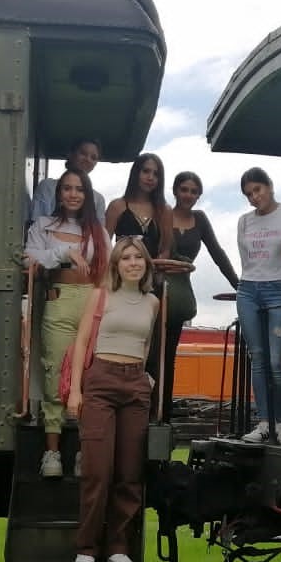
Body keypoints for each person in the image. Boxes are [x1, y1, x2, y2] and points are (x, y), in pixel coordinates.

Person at [66, 237, 159, 562]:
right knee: (97, 470)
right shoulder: (101, 296)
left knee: (129, 471)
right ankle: (87, 548)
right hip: (101, 381)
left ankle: (119, 545)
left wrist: (142, 377)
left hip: (134, 385)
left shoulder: (152, 302)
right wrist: (76, 391)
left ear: (146, 264)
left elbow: (145, 345)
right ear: (116, 265)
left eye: (139, 257)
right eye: (126, 258)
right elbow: (81, 343)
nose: (133, 262)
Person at [24, 170, 108, 478]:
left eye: (79, 189)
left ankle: (84, 452)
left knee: (89, 375)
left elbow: (107, 270)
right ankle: (52, 453)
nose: (73, 194)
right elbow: (27, 258)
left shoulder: (97, 229)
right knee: (55, 373)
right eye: (67, 189)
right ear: (59, 194)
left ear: (87, 195)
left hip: (92, 301)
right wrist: (64, 251)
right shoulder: (43, 225)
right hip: (59, 299)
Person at [160, 171, 240, 419]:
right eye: (184, 189)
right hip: (157, 288)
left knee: (169, 353)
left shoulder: (200, 219)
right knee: (153, 351)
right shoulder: (162, 213)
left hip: (180, 292)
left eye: (194, 191)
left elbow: (217, 253)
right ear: (175, 191)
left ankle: (164, 411)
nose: (189, 195)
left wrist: (239, 286)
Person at [235, 167, 281, 445]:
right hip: (248, 289)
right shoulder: (244, 221)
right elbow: (246, 261)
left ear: (270, 186)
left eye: (257, 190)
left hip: (279, 288)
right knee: (257, 358)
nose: (253, 198)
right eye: (248, 194)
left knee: (275, 362)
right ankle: (262, 422)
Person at [106, 151, 174, 389]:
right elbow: (106, 246)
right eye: (146, 171)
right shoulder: (117, 206)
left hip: (150, 284)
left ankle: (147, 400)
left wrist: (152, 266)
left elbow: (166, 248)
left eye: (156, 173)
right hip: (119, 283)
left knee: (150, 341)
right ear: (136, 172)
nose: (150, 177)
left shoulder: (164, 210)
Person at [29, 138, 105, 223]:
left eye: (93, 157)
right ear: (71, 154)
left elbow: (99, 232)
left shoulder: (98, 199)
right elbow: (36, 223)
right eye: (83, 153)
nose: (88, 159)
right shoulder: (47, 186)